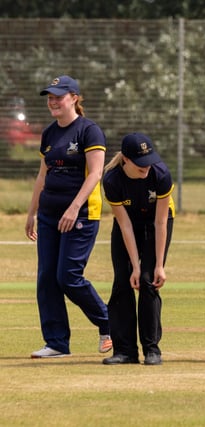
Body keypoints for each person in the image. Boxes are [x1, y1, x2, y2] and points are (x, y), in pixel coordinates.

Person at [25, 75, 112, 358]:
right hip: (49, 215)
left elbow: (96, 173)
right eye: (49, 96)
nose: (53, 101)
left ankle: (110, 323)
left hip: (82, 214)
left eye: (58, 96)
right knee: (47, 278)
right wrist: (32, 213)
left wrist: (74, 208)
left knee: (69, 277)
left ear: (74, 97)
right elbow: (43, 175)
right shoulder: (49, 133)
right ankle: (57, 343)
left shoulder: (89, 130)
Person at [101, 133, 175, 366]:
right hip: (129, 225)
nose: (146, 167)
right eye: (140, 163)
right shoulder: (112, 180)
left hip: (157, 224)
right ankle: (125, 351)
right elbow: (124, 224)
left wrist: (159, 266)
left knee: (148, 279)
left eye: (149, 161)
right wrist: (134, 264)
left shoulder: (160, 174)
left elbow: (161, 223)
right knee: (123, 281)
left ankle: (152, 349)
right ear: (126, 159)